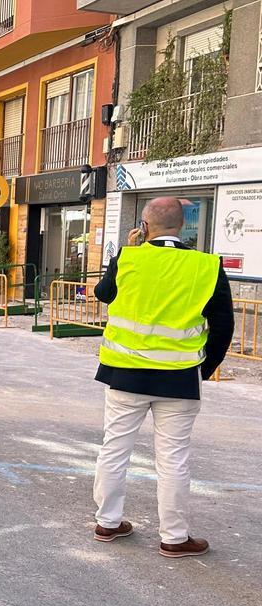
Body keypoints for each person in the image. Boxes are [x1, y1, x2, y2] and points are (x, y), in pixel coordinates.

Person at [92, 196, 233, 557]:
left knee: (115, 448)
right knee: (173, 457)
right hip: (179, 379)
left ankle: (107, 522)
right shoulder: (206, 266)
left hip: (125, 375)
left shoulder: (128, 258)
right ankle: (174, 537)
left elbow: (103, 294)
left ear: (144, 226)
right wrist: (203, 369)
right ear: (182, 225)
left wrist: (125, 252)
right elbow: (223, 327)